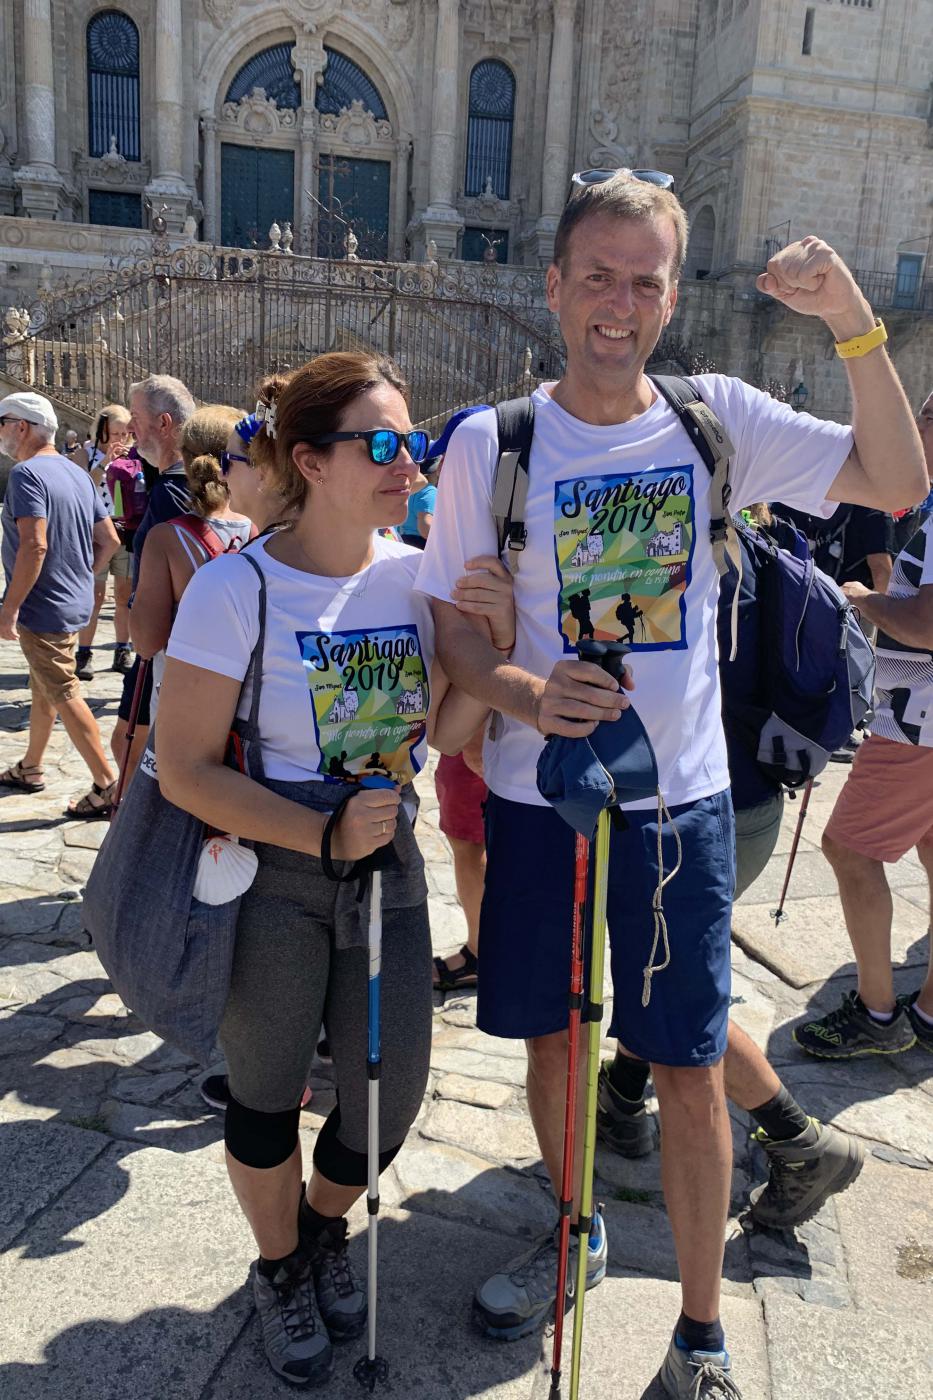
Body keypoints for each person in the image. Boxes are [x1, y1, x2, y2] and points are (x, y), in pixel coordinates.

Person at [417, 171, 927, 1399]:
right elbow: (457, 636)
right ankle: (573, 1228)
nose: (620, 301)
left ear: (670, 297)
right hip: (541, 799)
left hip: (679, 804)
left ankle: (701, 1332)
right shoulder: (492, 443)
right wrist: (526, 691)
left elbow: (895, 478)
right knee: (553, 1040)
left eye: (645, 280)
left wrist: (851, 316)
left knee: (690, 1064)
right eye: (597, 274)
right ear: (555, 285)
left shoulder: (717, 421)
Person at [153, 351, 516, 1386]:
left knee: (387, 1098)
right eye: (385, 444)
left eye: (416, 442)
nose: (412, 464)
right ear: (310, 461)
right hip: (273, 867)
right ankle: (278, 1268)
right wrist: (318, 838)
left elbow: (444, 731)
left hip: (386, 862)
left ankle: (316, 1233)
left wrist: (490, 643)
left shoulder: (414, 576)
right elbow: (182, 768)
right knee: (266, 1092)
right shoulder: (236, 588)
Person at [597, 506, 866, 1230]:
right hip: (748, 802)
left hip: (690, 812)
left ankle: (800, 1141)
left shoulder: (660, 553)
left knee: (680, 994)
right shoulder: (748, 545)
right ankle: (623, 1095)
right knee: (666, 968)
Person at [795, 388, 933, 1059]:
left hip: (917, 722)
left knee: (848, 849)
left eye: (921, 418)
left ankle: (878, 1016)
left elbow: (925, 625)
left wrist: (864, 599)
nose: (912, 430)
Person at [0, 391, 122, 816]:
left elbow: (34, 546)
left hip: (42, 607)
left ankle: (107, 784)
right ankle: (31, 766)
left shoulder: (26, 474)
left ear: (21, 427)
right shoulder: (77, 474)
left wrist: (10, 607)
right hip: (72, 602)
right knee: (45, 686)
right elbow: (109, 540)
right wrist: (81, 577)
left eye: (2, 423)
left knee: (64, 691)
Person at [130, 405, 253, 720]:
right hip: (249, 699)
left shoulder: (167, 539)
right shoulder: (260, 529)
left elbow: (146, 642)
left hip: (184, 699)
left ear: (184, 459)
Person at [111, 374, 196, 787]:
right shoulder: (182, 484)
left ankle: (131, 822)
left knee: (131, 751)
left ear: (164, 423)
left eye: (136, 416)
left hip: (161, 647)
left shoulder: (172, 493)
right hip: (172, 643)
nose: (130, 427)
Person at [74, 404, 135, 680]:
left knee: (124, 594)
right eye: (115, 433)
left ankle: (122, 649)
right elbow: (81, 487)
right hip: (96, 532)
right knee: (95, 596)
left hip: (124, 528)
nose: (120, 439)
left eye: (125, 433)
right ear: (102, 431)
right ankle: (84, 652)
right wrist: (103, 463)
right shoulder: (84, 454)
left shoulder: (134, 455)